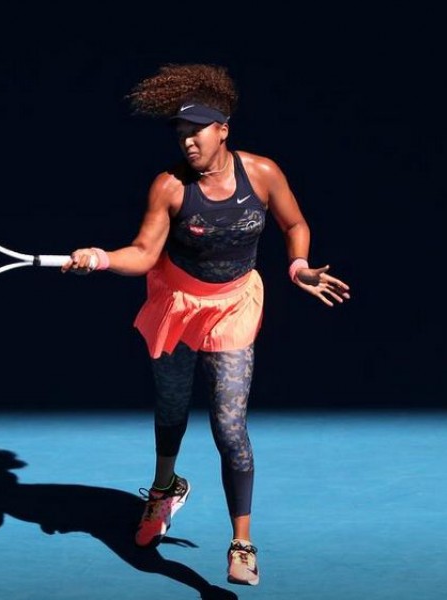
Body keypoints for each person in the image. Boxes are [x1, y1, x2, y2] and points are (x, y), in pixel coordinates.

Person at [61, 63, 350, 587]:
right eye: (180, 131)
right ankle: (164, 489)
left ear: (223, 129)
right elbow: (145, 254)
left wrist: (298, 265)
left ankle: (242, 543)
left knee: (229, 426)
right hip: (175, 301)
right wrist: (99, 258)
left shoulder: (262, 173)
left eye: (197, 130)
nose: (187, 140)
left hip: (234, 304)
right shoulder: (169, 186)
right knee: (171, 407)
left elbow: (295, 223)